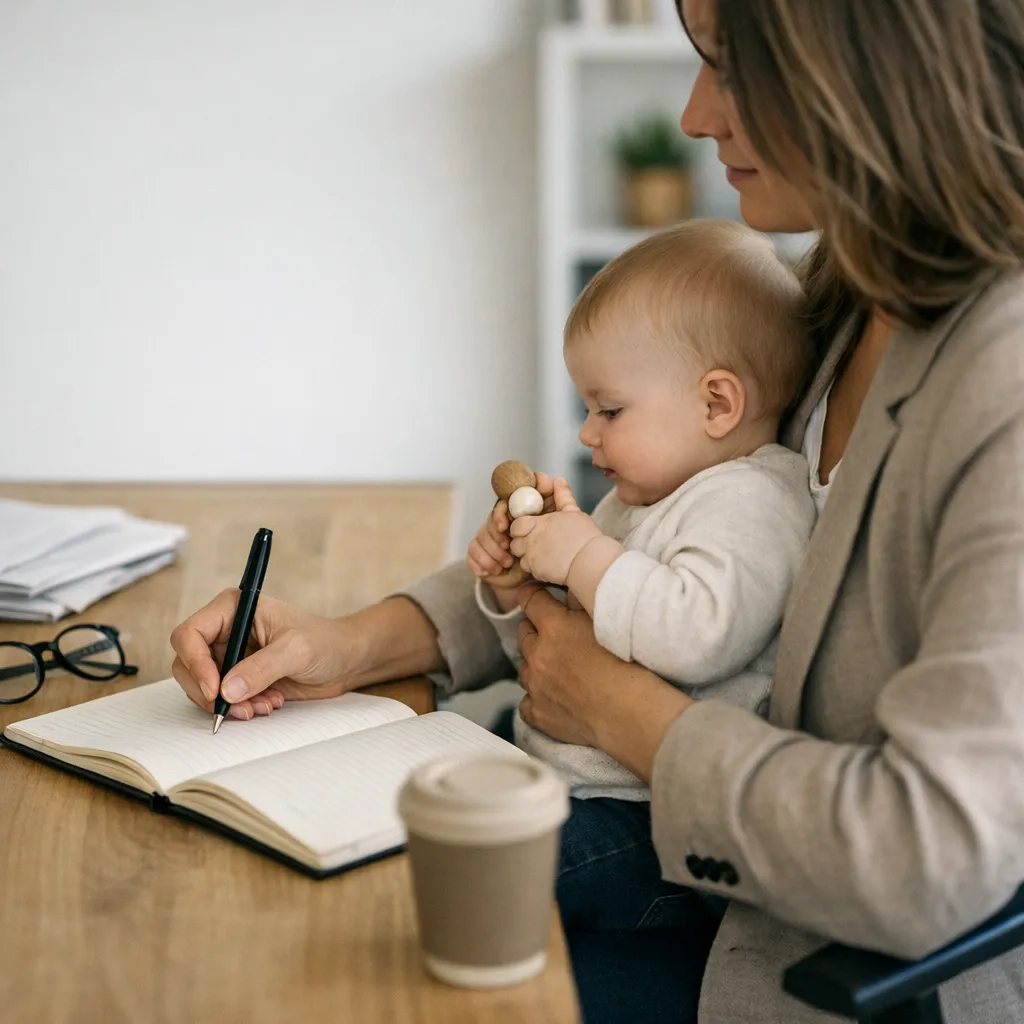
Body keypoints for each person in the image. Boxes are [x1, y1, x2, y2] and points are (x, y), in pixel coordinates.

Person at [169, 1, 1024, 1021]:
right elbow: (635, 532)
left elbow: (929, 856)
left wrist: (621, 712)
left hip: (800, 965)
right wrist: (350, 643)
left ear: (872, 66)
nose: (695, 114)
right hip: (693, 884)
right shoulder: (843, 294)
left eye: (732, 68)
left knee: (345, 962)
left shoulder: (999, 384)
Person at [469, 220, 815, 797]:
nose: (586, 434)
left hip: (632, 814)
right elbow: (558, 651)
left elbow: (696, 635)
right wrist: (518, 586)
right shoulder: (642, 495)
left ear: (717, 403)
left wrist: (582, 554)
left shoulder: (754, 500)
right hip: (560, 764)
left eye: (609, 411)